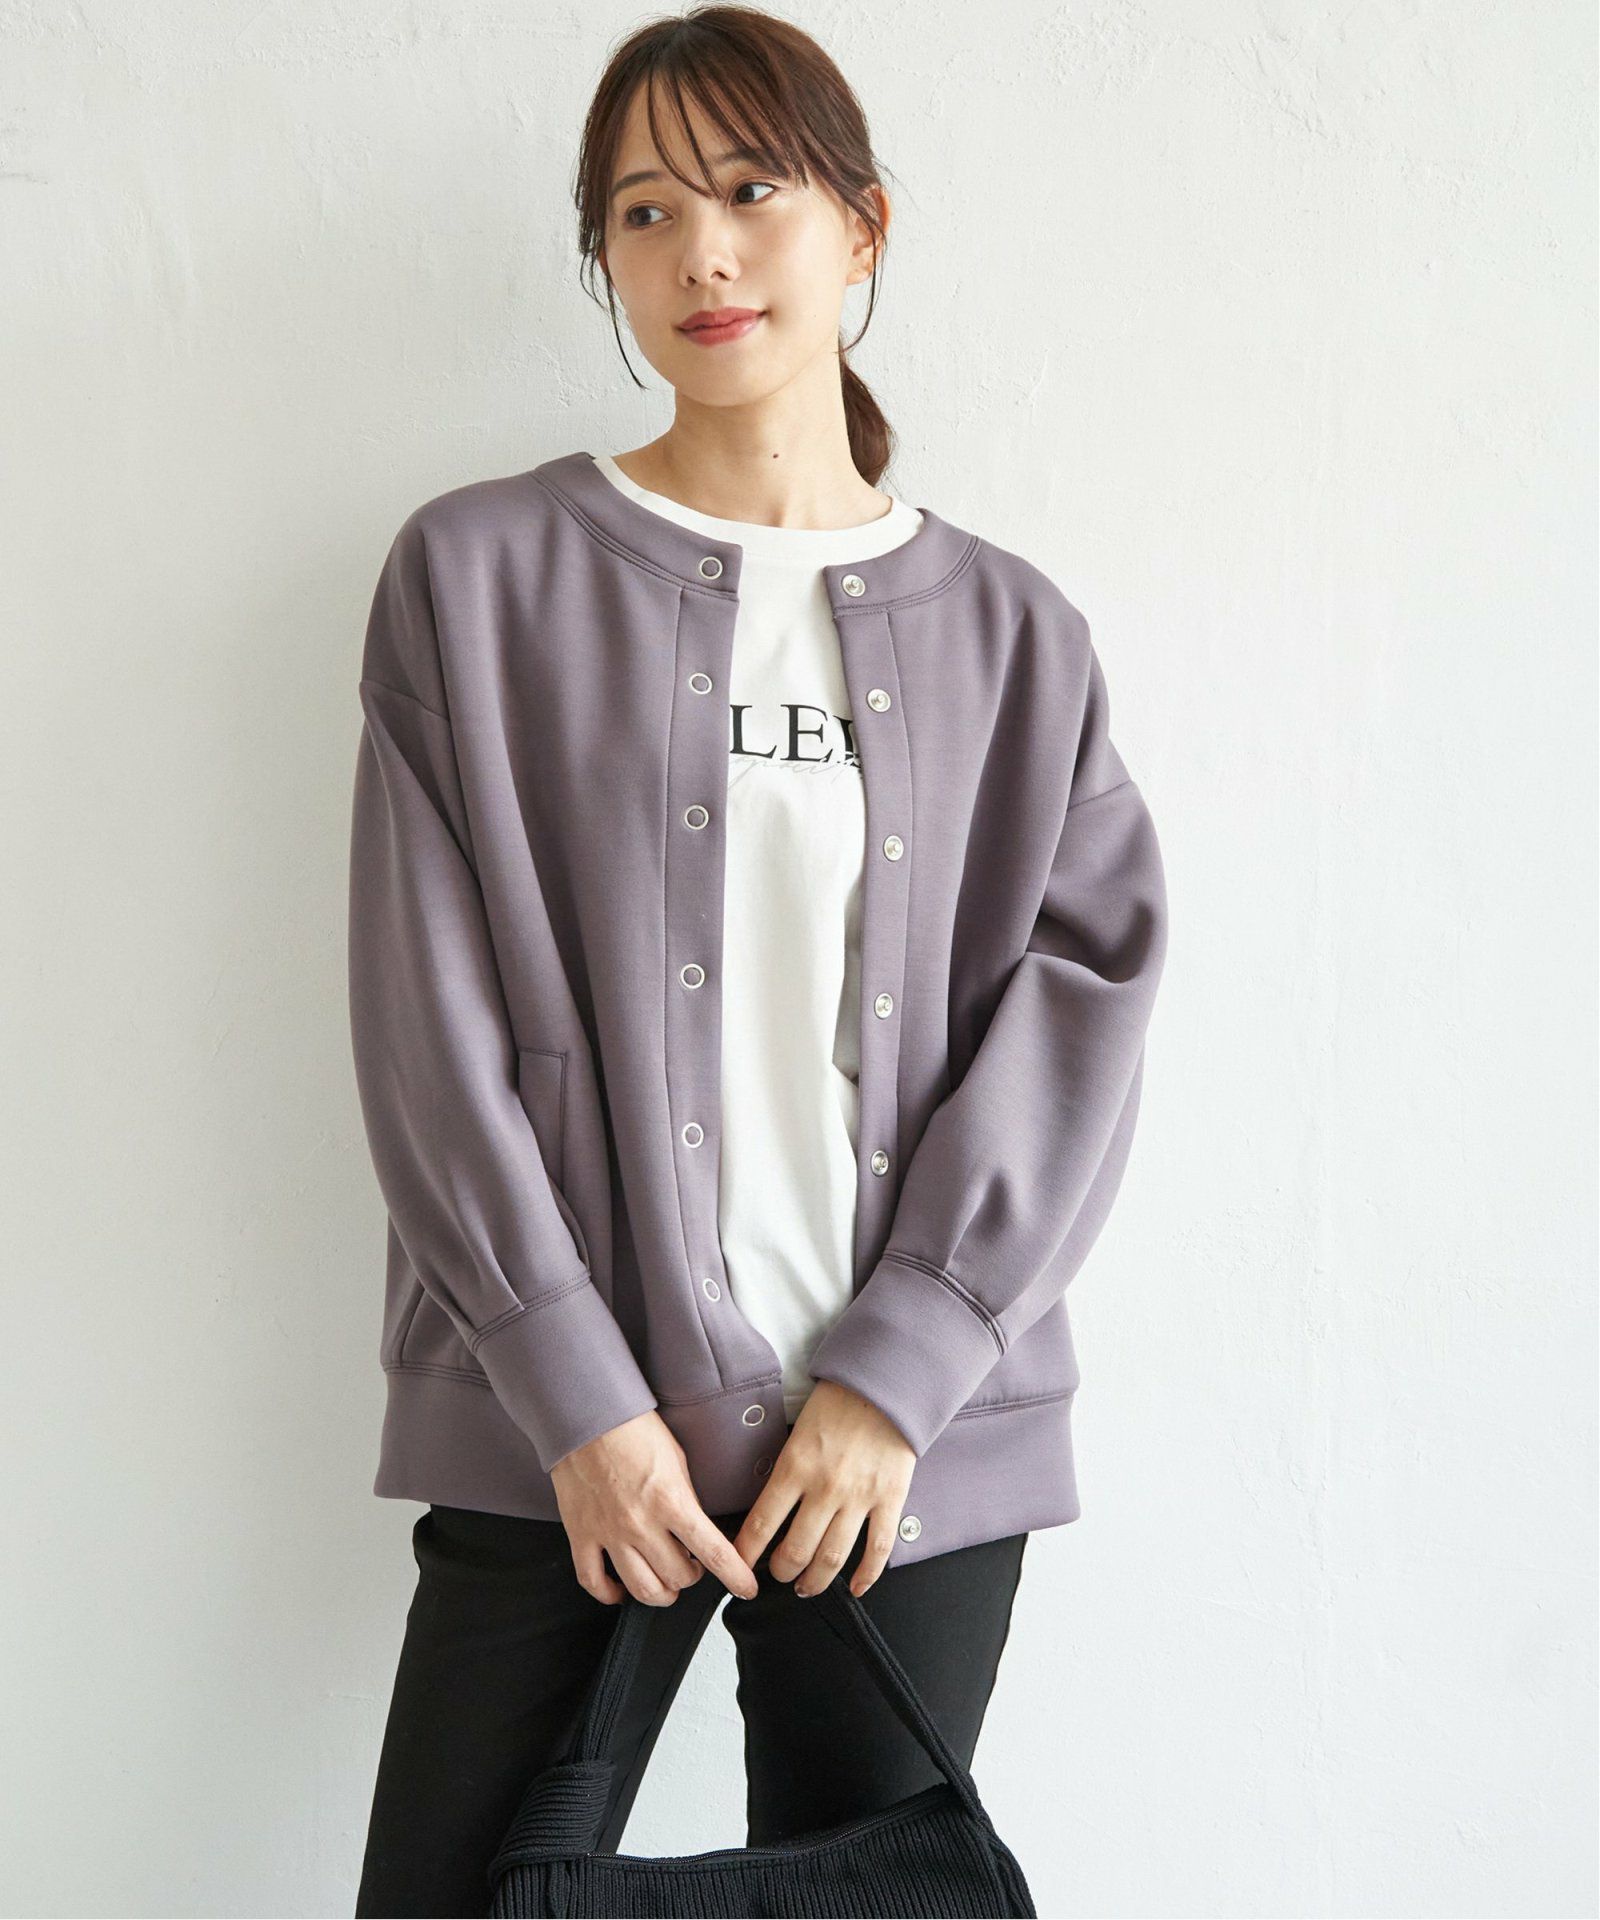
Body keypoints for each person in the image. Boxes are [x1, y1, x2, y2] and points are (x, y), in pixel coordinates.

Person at [348, 7, 1169, 1913]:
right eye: (643, 212)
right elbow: (423, 1026)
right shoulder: (477, 580)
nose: (700, 253)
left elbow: (1083, 1011)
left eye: (749, 191)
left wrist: (901, 1372)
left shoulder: (1016, 637)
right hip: (567, 1429)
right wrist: (575, 1394)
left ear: (862, 226)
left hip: (899, 1456)